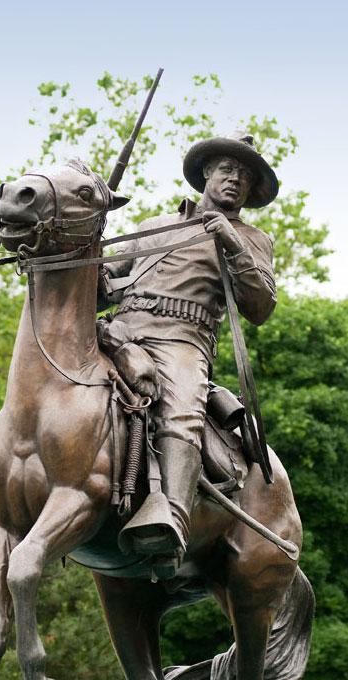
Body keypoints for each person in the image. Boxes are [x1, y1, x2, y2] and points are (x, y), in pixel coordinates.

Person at [99, 131, 279, 570]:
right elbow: (100, 288)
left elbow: (260, 307)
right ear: (206, 174)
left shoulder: (253, 239)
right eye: (226, 170)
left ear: (252, 191)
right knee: (46, 380)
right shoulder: (152, 227)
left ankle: (171, 523)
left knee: (182, 409)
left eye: (244, 176)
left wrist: (230, 242)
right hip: (119, 331)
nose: (234, 179)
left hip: (182, 341)